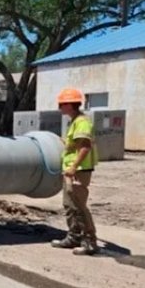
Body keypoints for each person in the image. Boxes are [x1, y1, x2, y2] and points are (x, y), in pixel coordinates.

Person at [51, 88, 99, 256]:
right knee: (69, 206)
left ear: (70, 105)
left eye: (61, 104)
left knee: (78, 206)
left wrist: (73, 167)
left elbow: (85, 146)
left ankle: (90, 242)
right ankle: (74, 237)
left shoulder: (82, 122)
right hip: (72, 170)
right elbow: (76, 145)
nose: (59, 108)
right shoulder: (75, 121)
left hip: (79, 170)